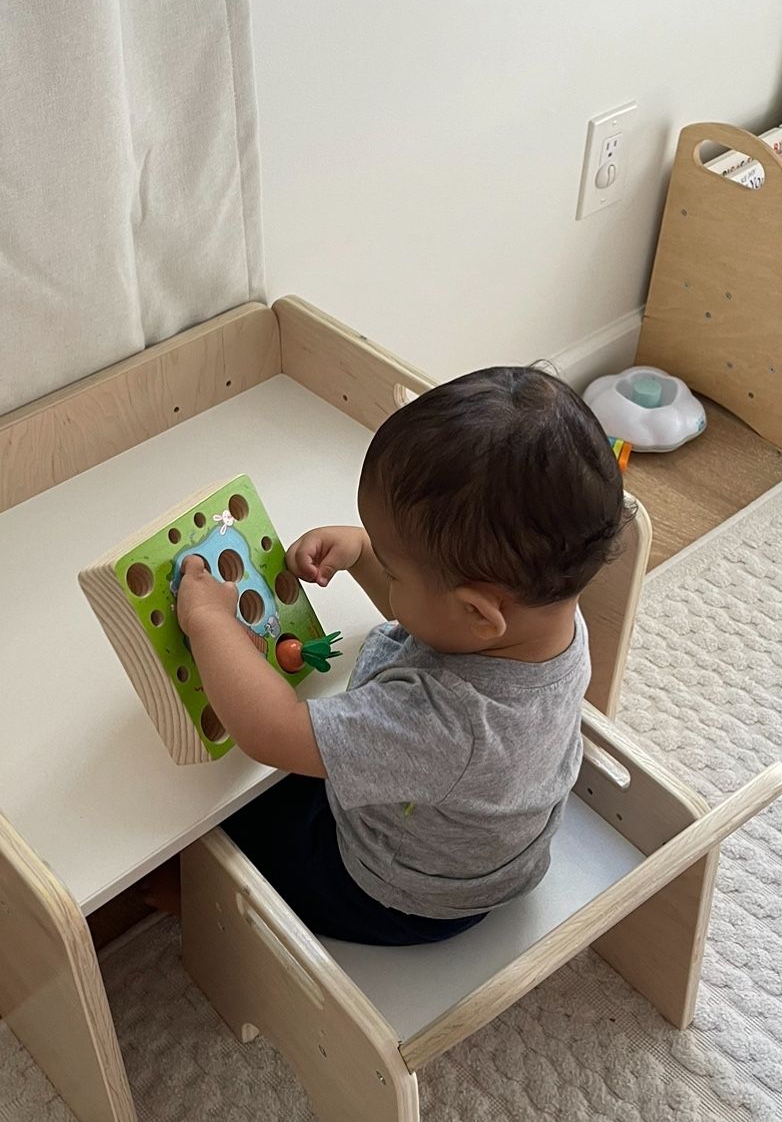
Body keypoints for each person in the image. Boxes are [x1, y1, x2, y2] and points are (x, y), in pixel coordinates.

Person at [176, 365, 629, 946]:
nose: (382, 573)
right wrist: (365, 552)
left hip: (395, 893)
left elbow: (271, 731)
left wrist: (209, 620)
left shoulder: (446, 724)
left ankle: (193, 912)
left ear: (478, 613)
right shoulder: (548, 612)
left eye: (392, 571)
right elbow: (432, 617)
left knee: (225, 821)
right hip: (478, 846)